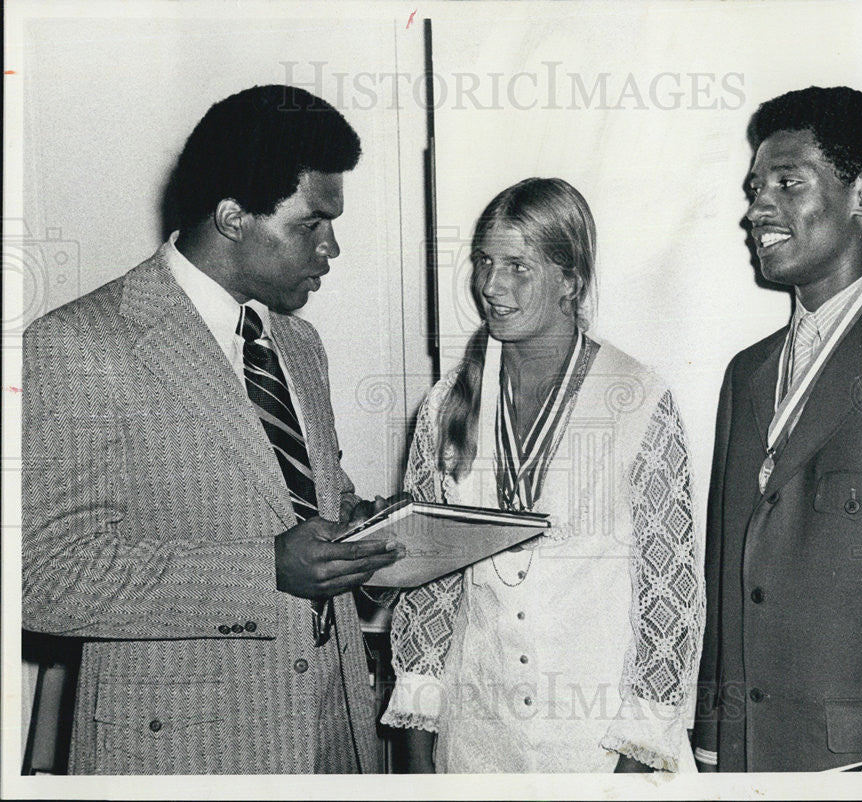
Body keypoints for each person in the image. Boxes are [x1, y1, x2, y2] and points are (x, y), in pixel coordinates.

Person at [21, 84, 405, 775]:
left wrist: (357, 526)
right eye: (310, 225)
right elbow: (41, 576)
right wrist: (266, 571)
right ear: (232, 215)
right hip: (185, 755)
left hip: (333, 742)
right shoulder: (78, 344)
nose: (333, 247)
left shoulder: (299, 343)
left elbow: (298, 499)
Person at [380, 177, 704, 773]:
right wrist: (419, 747)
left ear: (571, 280)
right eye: (483, 262)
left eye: (517, 267)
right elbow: (429, 593)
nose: (490, 286)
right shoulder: (447, 404)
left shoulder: (635, 399)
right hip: (477, 748)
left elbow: (669, 598)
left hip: (602, 752)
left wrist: (634, 765)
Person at [693, 86, 862, 772]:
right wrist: (711, 738)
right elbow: (727, 572)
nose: (757, 207)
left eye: (788, 183)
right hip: (748, 758)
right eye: (755, 187)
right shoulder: (746, 373)